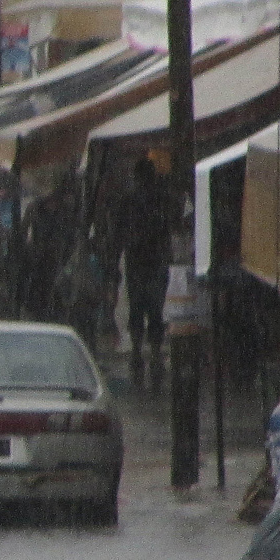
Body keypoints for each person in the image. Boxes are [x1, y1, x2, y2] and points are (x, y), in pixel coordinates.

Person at [119, 156, 172, 389]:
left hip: (138, 260)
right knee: (153, 308)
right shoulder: (160, 198)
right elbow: (167, 225)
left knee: (139, 307)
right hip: (153, 260)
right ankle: (153, 351)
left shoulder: (131, 199)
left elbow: (121, 230)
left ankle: (140, 351)